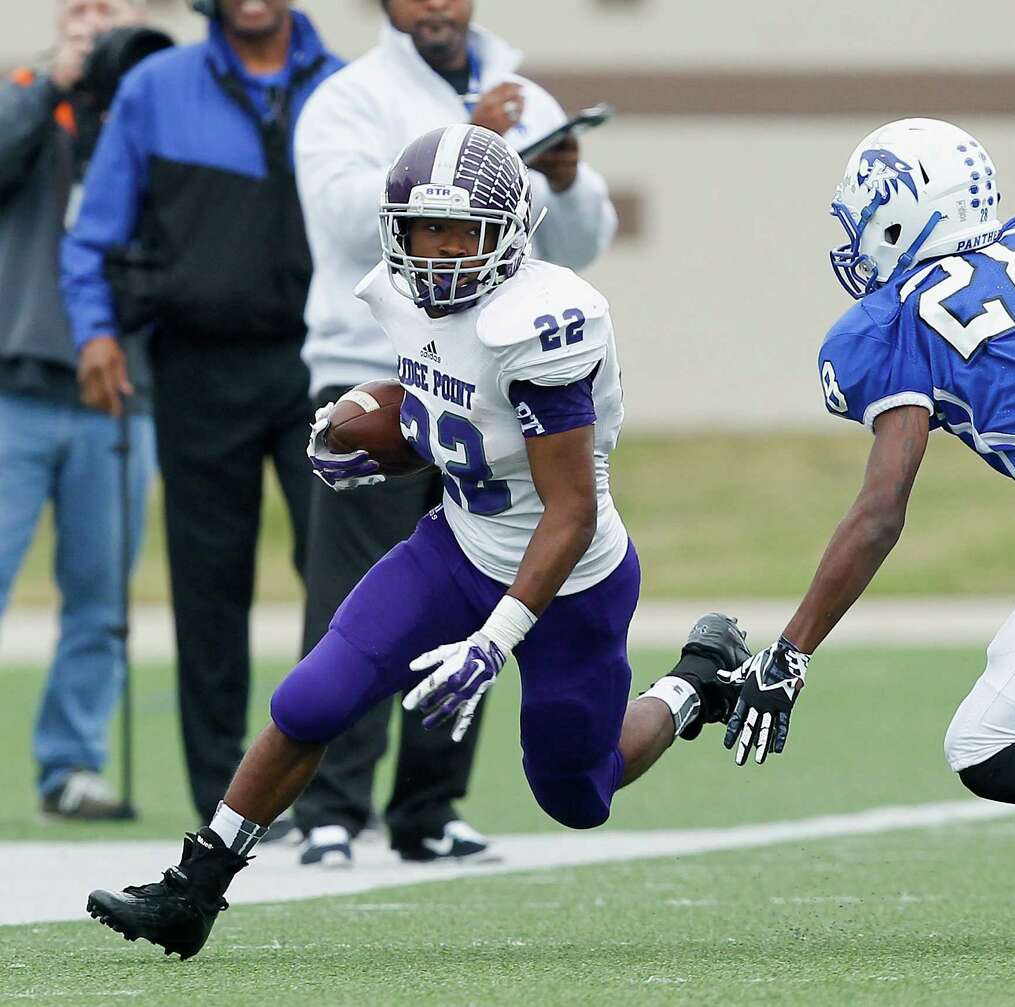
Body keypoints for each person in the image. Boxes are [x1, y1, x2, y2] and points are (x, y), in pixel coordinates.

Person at [85, 124, 746, 960]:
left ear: (508, 232)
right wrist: (373, 429)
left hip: (568, 579)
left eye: (460, 231)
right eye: (423, 230)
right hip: (455, 547)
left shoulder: (541, 325)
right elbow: (437, 380)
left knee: (578, 794)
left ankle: (693, 682)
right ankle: (193, 890)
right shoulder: (404, 297)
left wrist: (494, 641)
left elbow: (569, 508)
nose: (438, 253)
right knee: (310, 700)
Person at [720, 117, 1015, 938]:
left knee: (985, 743)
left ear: (905, 214)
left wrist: (791, 649)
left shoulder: (893, 322)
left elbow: (880, 512)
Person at [291, 0, 618, 866]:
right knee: (364, 592)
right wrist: (463, 144)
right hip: (379, 367)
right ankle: (331, 805)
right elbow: (336, 221)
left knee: (480, 573)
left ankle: (429, 805)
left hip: (499, 383)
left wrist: (570, 178)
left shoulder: (524, 91)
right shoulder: (349, 95)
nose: (437, 3)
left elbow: (580, 244)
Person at [60, 0, 341, 825]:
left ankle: (329, 796)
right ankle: (228, 801)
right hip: (196, 365)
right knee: (209, 589)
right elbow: (94, 232)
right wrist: (95, 332)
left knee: (337, 580)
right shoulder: (154, 86)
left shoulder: (345, 87)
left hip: (320, 365)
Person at [0, 0, 156, 820]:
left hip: (120, 394)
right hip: (14, 385)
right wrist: (54, 81)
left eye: (113, 7)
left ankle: (72, 765)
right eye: (82, 7)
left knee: (101, 594)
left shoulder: (156, 97)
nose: (97, 20)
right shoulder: (25, 89)